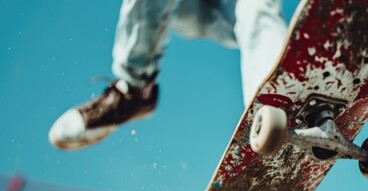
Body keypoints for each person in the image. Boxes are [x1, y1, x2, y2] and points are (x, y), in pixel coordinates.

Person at [49, 0, 288, 150]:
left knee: (257, 5)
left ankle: (278, 102)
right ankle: (134, 91)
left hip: (234, 9)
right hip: (186, 7)